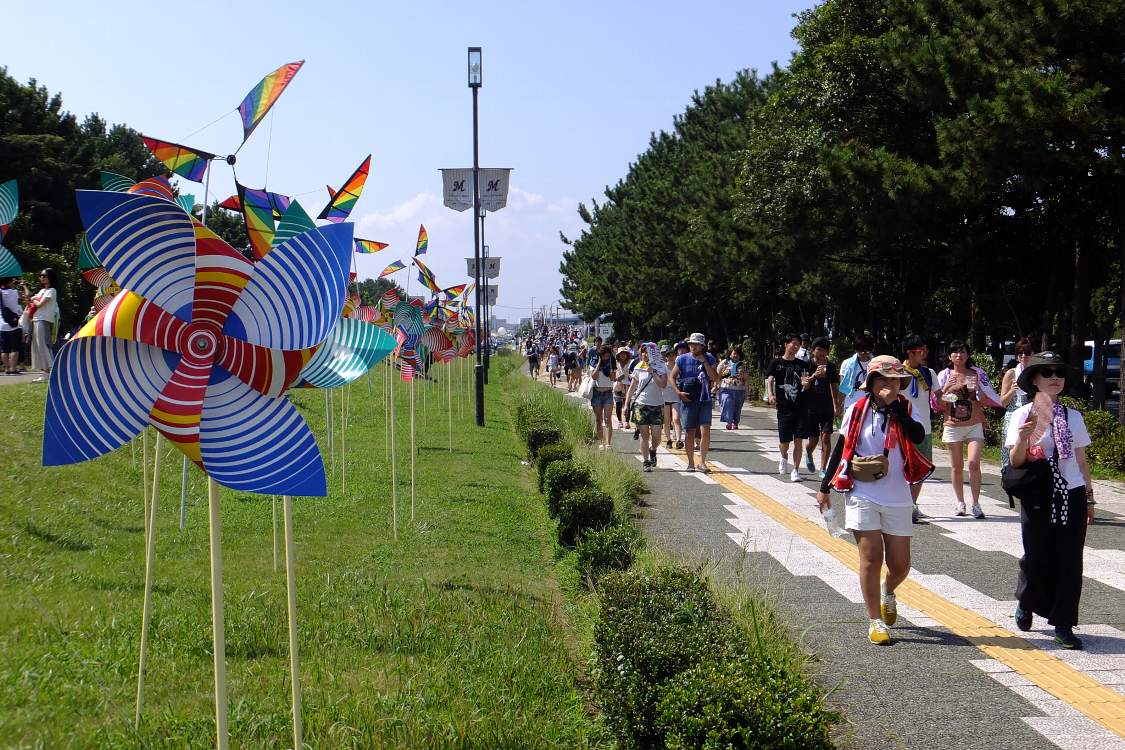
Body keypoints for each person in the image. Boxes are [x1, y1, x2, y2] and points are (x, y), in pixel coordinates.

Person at [816, 356, 933, 645]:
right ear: (871, 383)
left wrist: (895, 409)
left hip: (897, 494)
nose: (889, 385)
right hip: (861, 491)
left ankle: (888, 591)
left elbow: (918, 436)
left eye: (895, 380)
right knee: (871, 556)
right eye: (882, 379)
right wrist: (824, 487)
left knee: (901, 564)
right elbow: (842, 447)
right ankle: (875, 621)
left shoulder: (906, 407)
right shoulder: (857, 409)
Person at [1005, 351, 1094, 649]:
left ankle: (1064, 624)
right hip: (1039, 493)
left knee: (1070, 560)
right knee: (1037, 555)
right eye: (1047, 372)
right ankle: (1026, 601)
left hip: (1072, 493)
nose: (1055, 377)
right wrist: (1023, 438)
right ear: (1034, 380)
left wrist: (1090, 498)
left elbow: (1081, 461)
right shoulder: (1022, 414)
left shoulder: (1074, 416)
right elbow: (1015, 462)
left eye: (1059, 372)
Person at [935, 340, 1001, 518]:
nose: (959, 355)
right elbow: (938, 403)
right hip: (953, 423)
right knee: (957, 466)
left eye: (962, 351)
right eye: (955, 352)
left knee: (973, 463)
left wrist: (982, 395)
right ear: (949, 356)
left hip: (974, 422)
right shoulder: (944, 374)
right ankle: (960, 502)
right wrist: (948, 387)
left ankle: (976, 503)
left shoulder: (977, 373)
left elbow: (987, 396)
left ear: (968, 354)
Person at [765, 333, 814, 482]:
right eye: (793, 343)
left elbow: (807, 382)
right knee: (784, 442)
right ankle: (784, 456)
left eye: (798, 344)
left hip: (801, 407)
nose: (795, 346)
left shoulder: (803, 364)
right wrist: (770, 395)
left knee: (798, 439)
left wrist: (807, 384)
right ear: (786, 344)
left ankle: (796, 470)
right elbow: (770, 380)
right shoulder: (776, 363)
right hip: (784, 406)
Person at [901, 335, 939, 523]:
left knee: (922, 468)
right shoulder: (898, 372)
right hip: (903, 428)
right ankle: (901, 504)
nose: (924, 353)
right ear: (909, 352)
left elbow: (938, 398)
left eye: (925, 349)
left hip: (925, 427)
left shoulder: (929, 373)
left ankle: (912, 505)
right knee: (902, 467)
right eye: (920, 350)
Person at [670, 332, 720, 473]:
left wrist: (705, 362)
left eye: (696, 344)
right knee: (690, 431)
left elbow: (715, 378)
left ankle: (702, 462)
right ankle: (691, 462)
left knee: (706, 429)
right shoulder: (682, 359)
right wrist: (678, 392)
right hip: (688, 399)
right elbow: (672, 377)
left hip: (704, 398)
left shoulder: (709, 358)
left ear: (702, 346)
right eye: (691, 344)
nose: (693, 346)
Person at [624, 343, 669, 471]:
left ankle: (653, 450)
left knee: (656, 436)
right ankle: (645, 461)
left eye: (647, 352)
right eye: (642, 352)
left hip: (657, 405)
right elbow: (632, 387)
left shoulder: (661, 367)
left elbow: (663, 385)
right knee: (644, 435)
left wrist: (653, 372)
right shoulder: (638, 367)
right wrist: (626, 404)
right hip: (641, 404)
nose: (644, 354)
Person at [1000, 338, 1035, 502]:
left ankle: (1031, 482)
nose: (1023, 356)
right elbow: (1002, 402)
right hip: (1014, 414)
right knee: (1012, 452)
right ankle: (1012, 483)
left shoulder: (1037, 373)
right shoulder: (1012, 373)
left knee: (1033, 452)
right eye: (1020, 353)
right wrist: (1012, 391)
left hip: (1031, 415)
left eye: (1027, 353)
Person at [802, 337, 840, 477]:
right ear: (813, 351)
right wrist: (814, 376)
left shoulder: (831, 366)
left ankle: (823, 468)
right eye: (819, 349)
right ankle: (808, 452)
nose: (822, 352)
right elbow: (803, 384)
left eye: (825, 350)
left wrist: (837, 405)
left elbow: (834, 386)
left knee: (826, 437)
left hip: (827, 406)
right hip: (810, 406)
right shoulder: (806, 364)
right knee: (813, 439)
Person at [26, 268, 59, 382]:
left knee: (43, 345)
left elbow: (39, 304)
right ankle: (45, 371)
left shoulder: (52, 291)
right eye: (41, 275)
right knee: (37, 346)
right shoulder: (41, 291)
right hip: (36, 319)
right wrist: (30, 297)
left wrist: (32, 298)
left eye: (44, 276)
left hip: (44, 319)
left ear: (50, 277)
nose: (41, 277)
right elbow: (32, 302)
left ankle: (50, 370)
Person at [589, 345, 617, 449]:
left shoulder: (612, 362)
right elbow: (594, 376)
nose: (606, 358)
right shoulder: (594, 361)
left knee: (607, 419)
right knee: (598, 419)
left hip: (608, 393)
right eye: (604, 356)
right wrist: (599, 363)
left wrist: (610, 367)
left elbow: (613, 378)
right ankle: (601, 442)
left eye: (608, 356)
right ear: (600, 355)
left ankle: (608, 443)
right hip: (597, 393)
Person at [838, 333, 874, 410]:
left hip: (871, 405)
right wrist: (838, 407)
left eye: (867, 351)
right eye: (861, 351)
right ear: (856, 349)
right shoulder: (847, 364)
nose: (863, 354)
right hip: (851, 404)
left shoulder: (876, 363)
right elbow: (843, 387)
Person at [717, 346, 749, 430]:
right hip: (726, 388)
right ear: (730, 354)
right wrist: (715, 386)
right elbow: (717, 375)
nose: (736, 355)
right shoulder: (724, 363)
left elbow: (746, 379)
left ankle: (735, 422)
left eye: (737, 354)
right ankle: (729, 422)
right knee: (727, 403)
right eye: (734, 353)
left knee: (737, 407)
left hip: (739, 389)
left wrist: (746, 390)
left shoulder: (743, 364)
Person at [660, 346, 684, 450]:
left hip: (675, 394)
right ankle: (669, 439)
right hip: (664, 395)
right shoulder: (663, 367)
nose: (671, 357)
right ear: (666, 357)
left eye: (673, 355)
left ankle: (678, 440)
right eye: (669, 355)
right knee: (666, 420)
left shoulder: (678, 366)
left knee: (676, 418)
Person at [0, 278, 22, 375]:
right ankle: (13, 368)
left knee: (4, 349)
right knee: (14, 348)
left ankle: (7, 369)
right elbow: (26, 295)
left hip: (2, 325)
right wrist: (21, 284)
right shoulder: (14, 292)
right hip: (13, 324)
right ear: (10, 282)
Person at [613, 347, 634, 429]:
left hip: (628, 385)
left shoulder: (630, 362)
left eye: (624, 353)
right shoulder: (615, 363)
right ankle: (619, 421)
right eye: (621, 353)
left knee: (627, 404)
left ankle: (626, 421)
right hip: (618, 385)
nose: (623, 355)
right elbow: (613, 373)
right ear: (618, 355)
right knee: (618, 404)